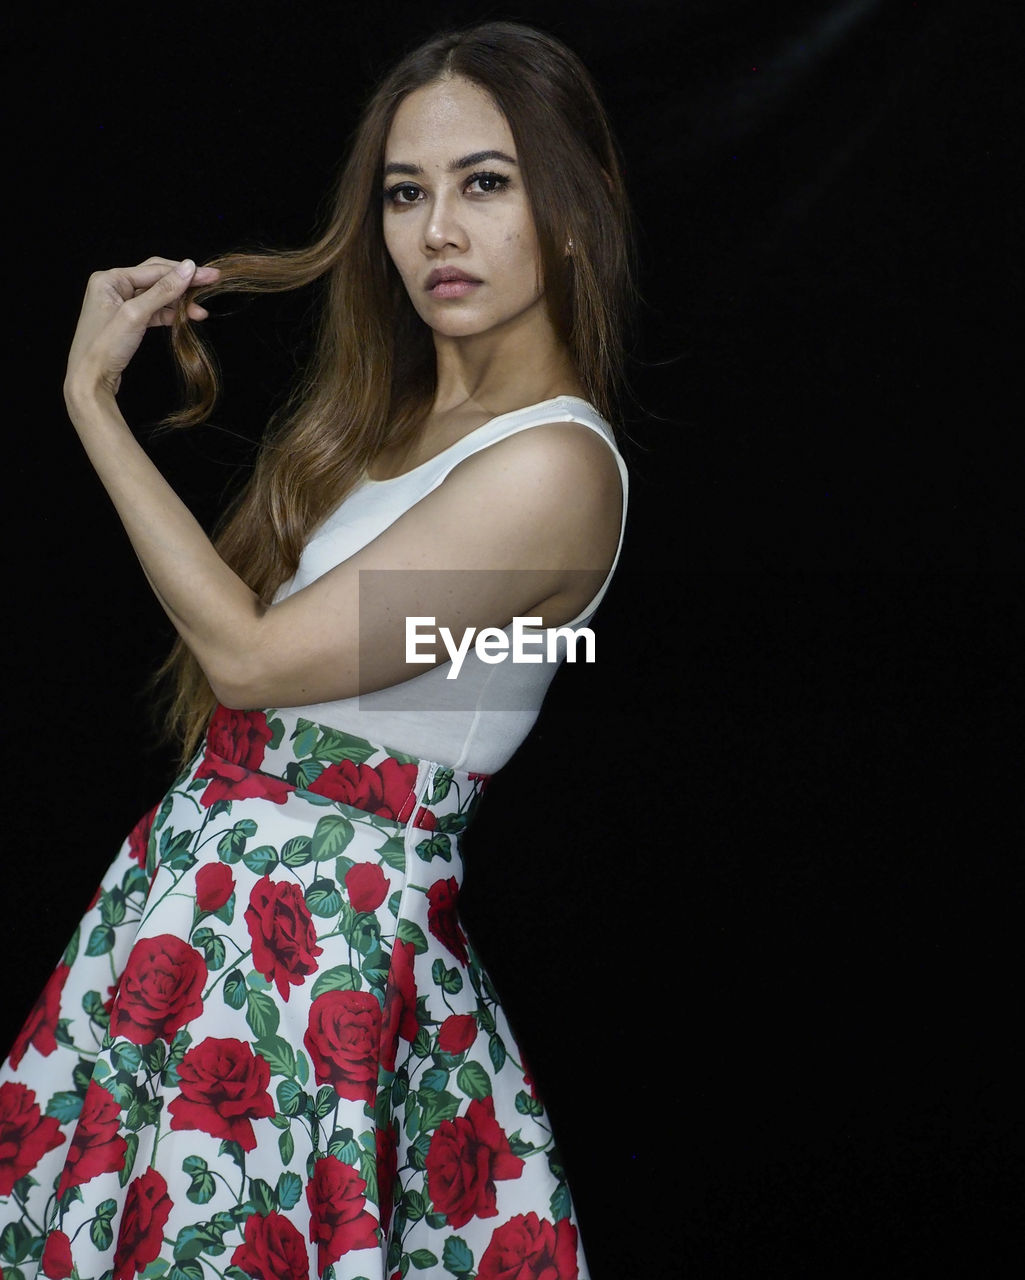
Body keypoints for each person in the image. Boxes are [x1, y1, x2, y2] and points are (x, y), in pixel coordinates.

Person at [0, 20, 633, 1280]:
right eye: (406, 193)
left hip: (304, 957)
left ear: (570, 205)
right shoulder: (399, 421)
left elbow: (248, 660)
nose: (437, 231)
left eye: (484, 182)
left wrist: (89, 402)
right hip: (196, 916)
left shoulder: (557, 465)